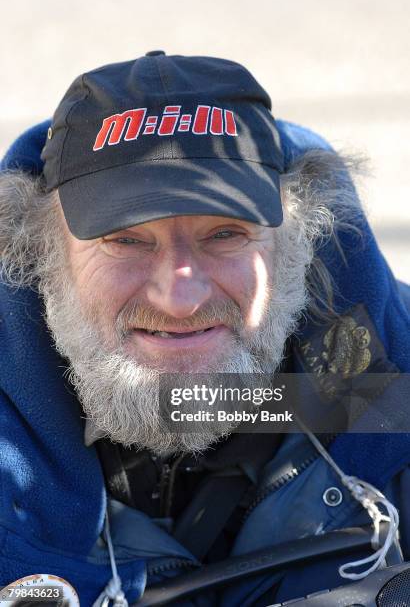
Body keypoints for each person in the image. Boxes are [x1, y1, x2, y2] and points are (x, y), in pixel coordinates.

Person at [0, 52, 409, 607]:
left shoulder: (387, 386)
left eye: (225, 234)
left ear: (298, 239)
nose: (180, 299)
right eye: (125, 240)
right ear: (40, 251)